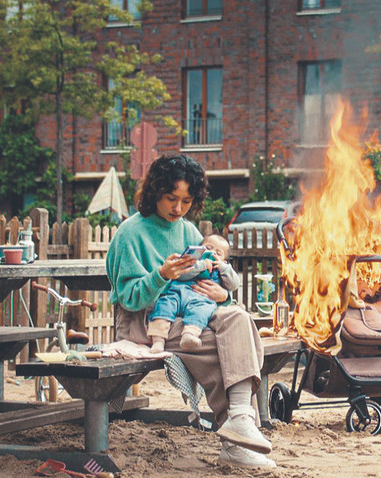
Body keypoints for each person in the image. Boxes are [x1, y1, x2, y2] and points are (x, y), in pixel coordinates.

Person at [105, 153, 274, 468]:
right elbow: (128, 298)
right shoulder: (130, 233)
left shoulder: (189, 232)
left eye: (186, 201)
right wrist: (162, 275)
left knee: (240, 318)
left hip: (190, 315)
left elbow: (207, 288)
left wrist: (222, 293)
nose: (177, 208)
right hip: (148, 322)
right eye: (171, 198)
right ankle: (236, 437)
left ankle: (239, 419)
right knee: (224, 345)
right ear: (155, 192)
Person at [147, 234, 240, 353]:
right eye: (208, 247)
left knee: (202, 311)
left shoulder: (223, 270)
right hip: (177, 294)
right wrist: (201, 265)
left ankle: (189, 335)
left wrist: (224, 268)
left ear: (224, 260)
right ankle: (158, 341)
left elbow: (234, 284)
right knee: (163, 305)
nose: (212, 253)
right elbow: (182, 274)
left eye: (218, 253)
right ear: (199, 249)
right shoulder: (193, 260)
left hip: (200, 301)